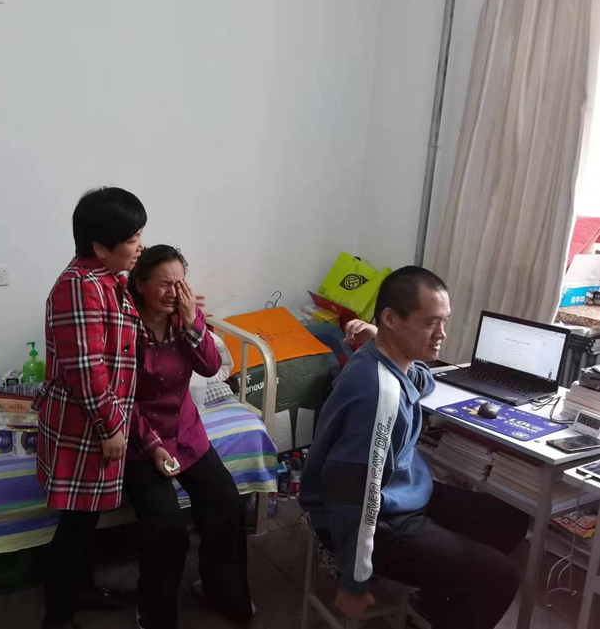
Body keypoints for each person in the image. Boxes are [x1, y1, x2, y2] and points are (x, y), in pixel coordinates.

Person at [299, 266, 528, 629]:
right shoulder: (378, 395)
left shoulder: (381, 355)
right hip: (375, 519)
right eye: (430, 323)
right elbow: (355, 497)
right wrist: (354, 581)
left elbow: (420, 383)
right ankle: (444, 595)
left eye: (444, 321)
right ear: (392, 319)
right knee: (499, 578)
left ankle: (435, 602)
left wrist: (380, 335)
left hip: (400, 494)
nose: (442, 334)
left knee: (511, 518)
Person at [34, 187, 146, 629]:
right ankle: (58, 618)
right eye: (132, 239)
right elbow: (86, 369)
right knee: (77, 524)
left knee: (85, 516)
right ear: (100, 247)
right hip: (84, 426)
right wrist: (111, 427)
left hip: (94, 420)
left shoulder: (107, 280)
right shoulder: (79, 288)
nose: (140, 246)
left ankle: (79, 590)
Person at [125, 245, 254, 629]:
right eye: (165, 284)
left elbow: (211, 367)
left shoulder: (185, 318)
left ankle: (221, 591)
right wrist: (152, 447)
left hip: (184, 431)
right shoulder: (124, 326)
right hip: (139, 439)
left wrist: (192, 322)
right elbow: (119, 399)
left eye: (180, 283)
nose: (174, 292)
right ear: (140, 284)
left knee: (226, 504)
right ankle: (154, 612)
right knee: (168, 527)